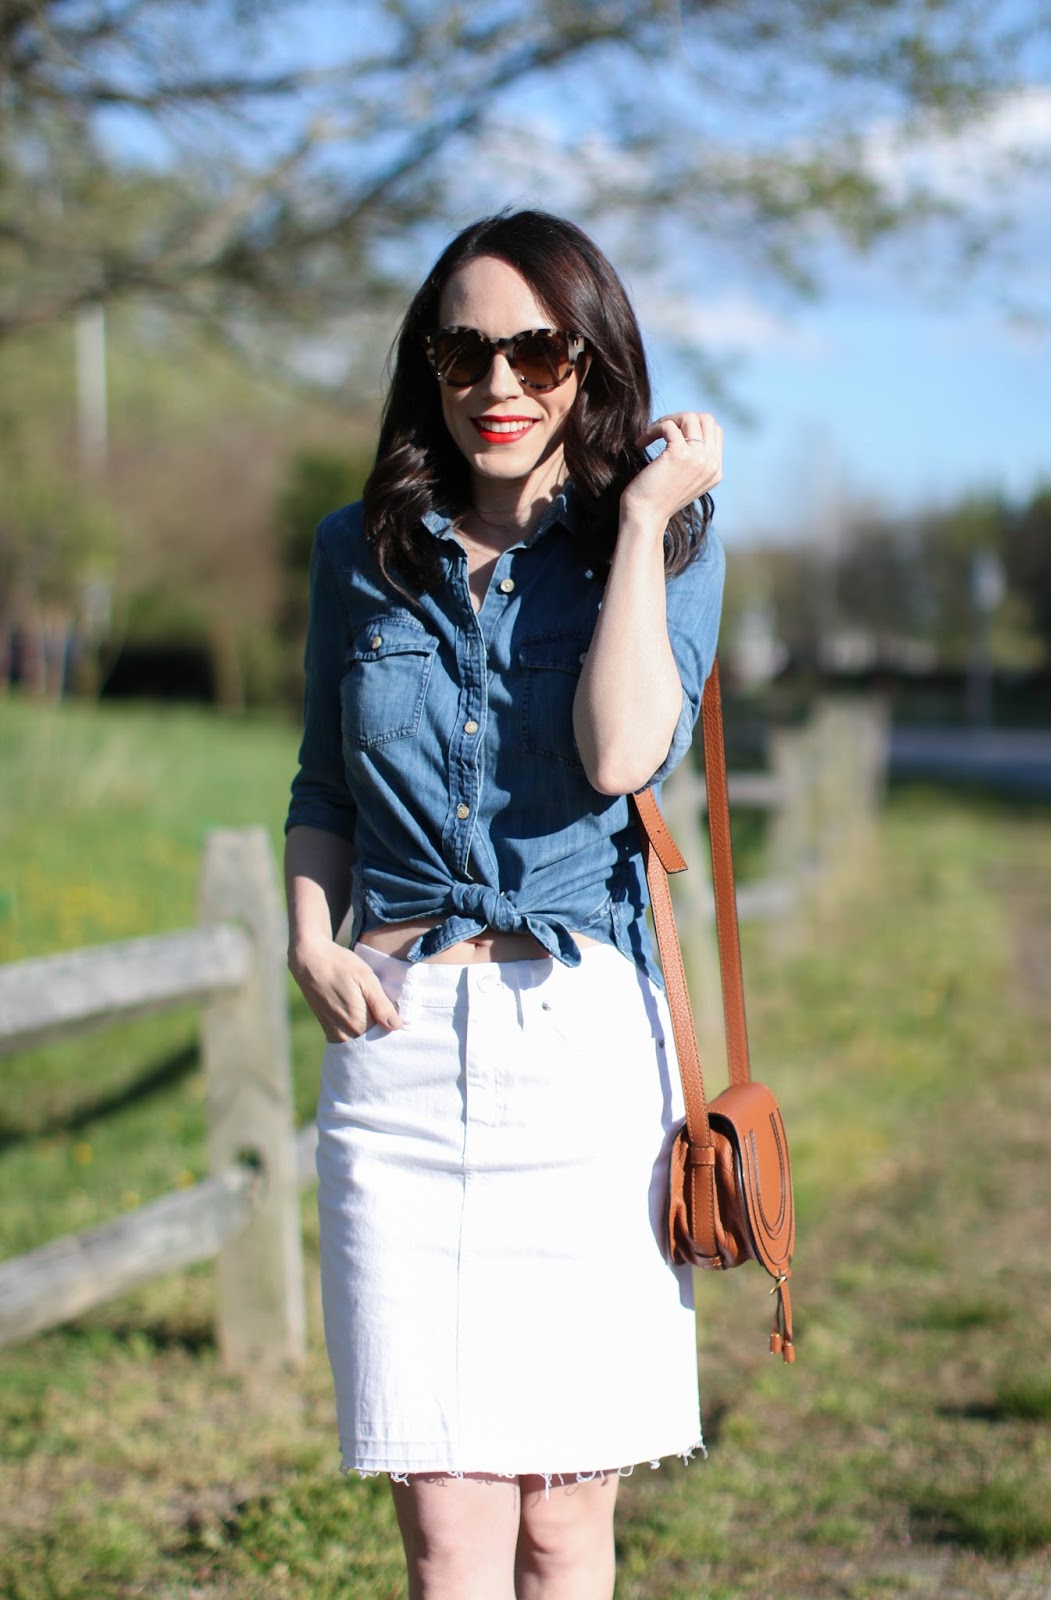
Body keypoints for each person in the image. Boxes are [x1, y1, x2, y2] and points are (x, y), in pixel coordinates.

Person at [284, 208, 724, 1600]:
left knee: (560, 1519)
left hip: (584, 1059)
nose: (498, 385)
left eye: (538, 351)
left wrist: (644, 524)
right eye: (463, 351)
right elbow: (322, 785)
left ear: (590, 364)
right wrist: (308, 936)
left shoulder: (663, 547)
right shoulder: (356, 552)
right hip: (398, 1052)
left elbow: (614, 756)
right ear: (427, 364)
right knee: (448, 1528)